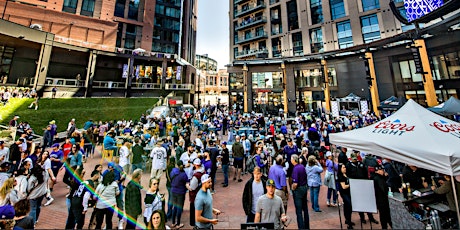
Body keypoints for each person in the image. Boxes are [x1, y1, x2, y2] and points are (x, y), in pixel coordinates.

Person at [291, 154, 310, 229]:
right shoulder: (302, 166)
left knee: (299, 211)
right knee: (305, 209)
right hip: (304, 187)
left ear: (294, 160)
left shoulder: (295, 169)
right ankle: (307, 226)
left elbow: (295, 183)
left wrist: (292, 189)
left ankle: (301, 227)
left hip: (299, 190)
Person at [170, 160, 189, 229]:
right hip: (180, 192)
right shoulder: (183, 174)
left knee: (174, 207)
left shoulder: (173, 172)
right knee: (179, 208)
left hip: (173, 191)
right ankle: (178, 223)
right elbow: (187, 183)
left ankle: (173, 222)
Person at [373, 165, 392, 229]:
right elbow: (383, 188)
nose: (382, 171)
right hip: (382, 200)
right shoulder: (378, 179)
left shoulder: (380, 177)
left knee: (384, 215)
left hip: (382, 200)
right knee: (385, 215)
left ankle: (386, 226)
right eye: (380, 170)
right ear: (377, 171)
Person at [189, 158, 205, 227]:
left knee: (194, 210)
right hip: (201, 193)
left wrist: (187, 186)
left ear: (195, 165)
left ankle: (194, 223)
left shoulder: (196, 175)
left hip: (195, 196)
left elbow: (192, 187)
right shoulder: (203, 171)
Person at [338, 163, 354, 229]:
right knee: (348, 205)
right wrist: (351, 184)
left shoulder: (346, 174)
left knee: (348, 206)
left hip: (348, 192)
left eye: (345, 167)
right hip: (344, 193)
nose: (345, 169)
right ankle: (349, 222)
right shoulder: (340, 176)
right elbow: (344, 187)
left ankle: (348, 220)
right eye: (343, 168)